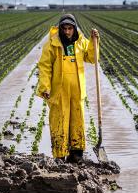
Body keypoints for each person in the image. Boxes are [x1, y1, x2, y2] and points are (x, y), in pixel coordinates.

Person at [37, 14, 99, 163]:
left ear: (74, 28)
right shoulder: (52, 44)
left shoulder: (80, 42)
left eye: (70, 28)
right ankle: (59, 155)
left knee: (77, 120)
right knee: (59, 121)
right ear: (60, 29)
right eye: (64, 29)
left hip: (77, 90)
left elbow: (92, 58)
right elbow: (45, 67)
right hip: (59, 91)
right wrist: (45, 87)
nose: (67, 32)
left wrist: (94, 41)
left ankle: (76, 154)